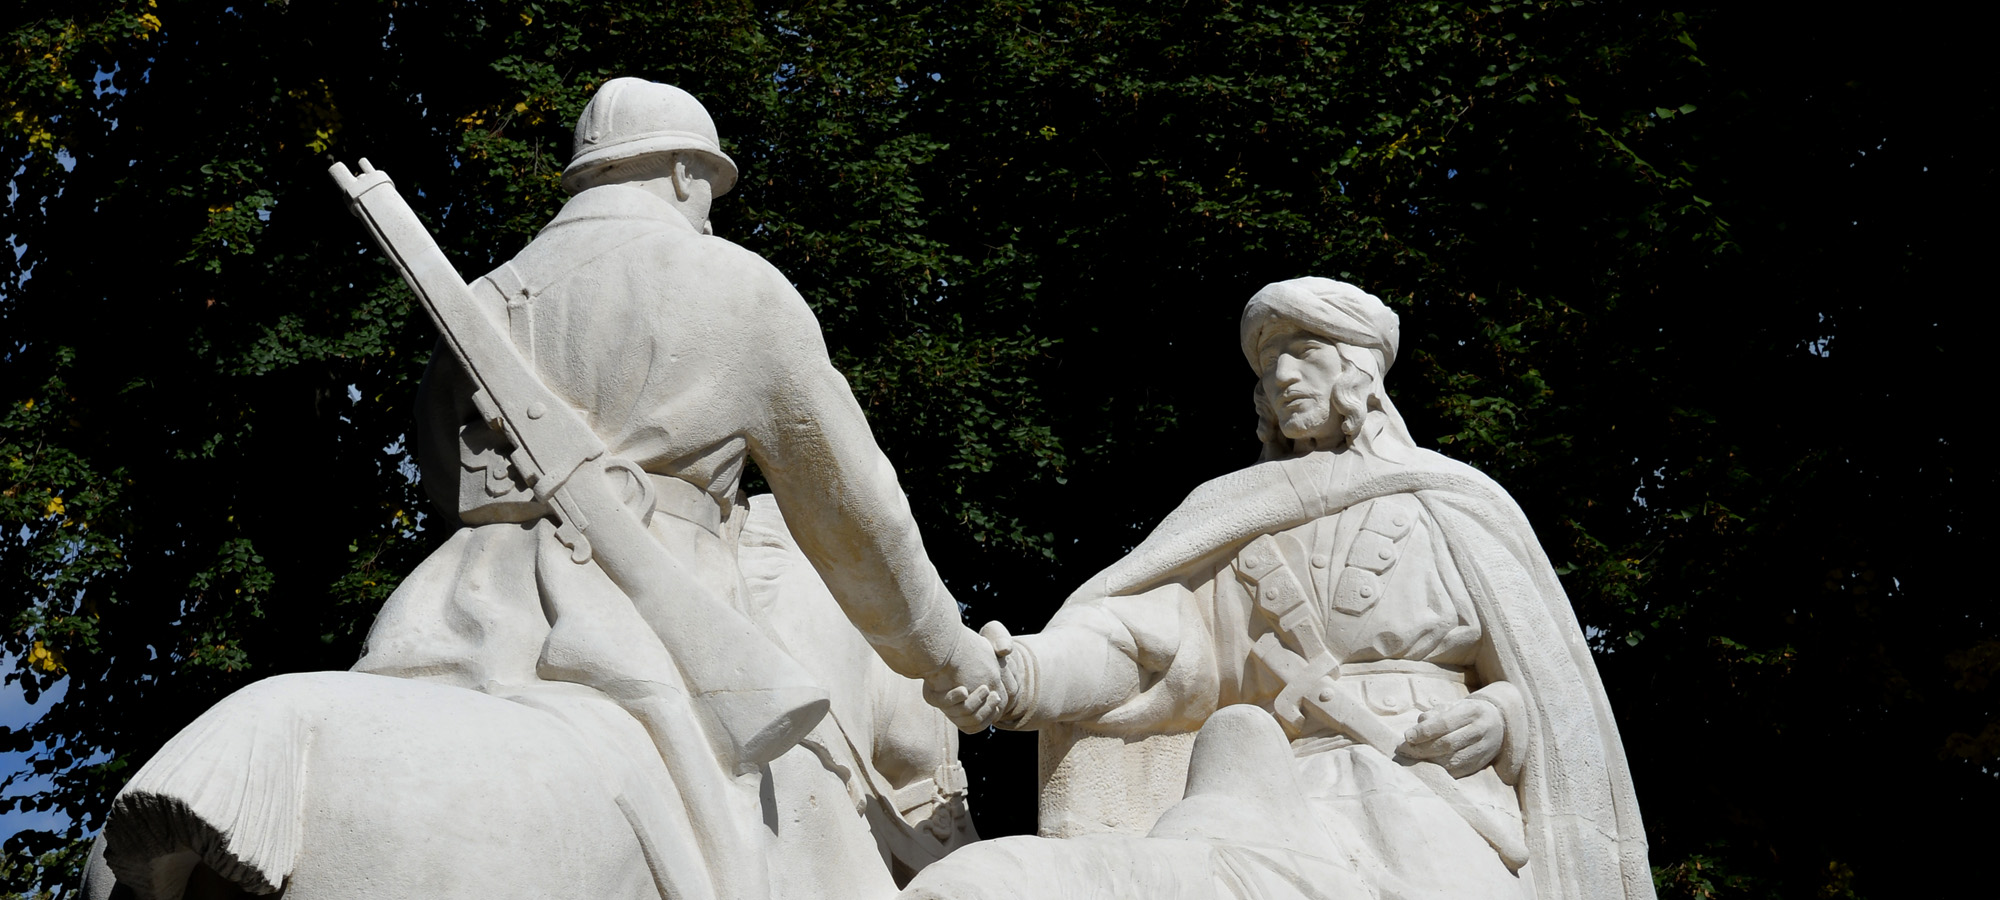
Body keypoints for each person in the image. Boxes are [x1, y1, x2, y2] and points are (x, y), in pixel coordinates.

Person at [352, 78, 1004, 900]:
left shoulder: (479, 303)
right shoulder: (731, 283)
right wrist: (946, 655)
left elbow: (450, 481)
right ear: (684, 174)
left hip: (450, 608)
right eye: (709, 190)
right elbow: (857, 512)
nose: (707, 209)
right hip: (650, 616)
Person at [905, 277, 1653, 900]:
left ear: (1361, 368)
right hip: (1270, 793)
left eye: (1305, 355)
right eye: (1269, 367)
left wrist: (1501, 717)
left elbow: (1546, 689)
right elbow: (1133, 642)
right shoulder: (1232, 518)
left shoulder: (1453, 503)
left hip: (1436, 798)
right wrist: (1015, 675)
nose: (1283, 377)